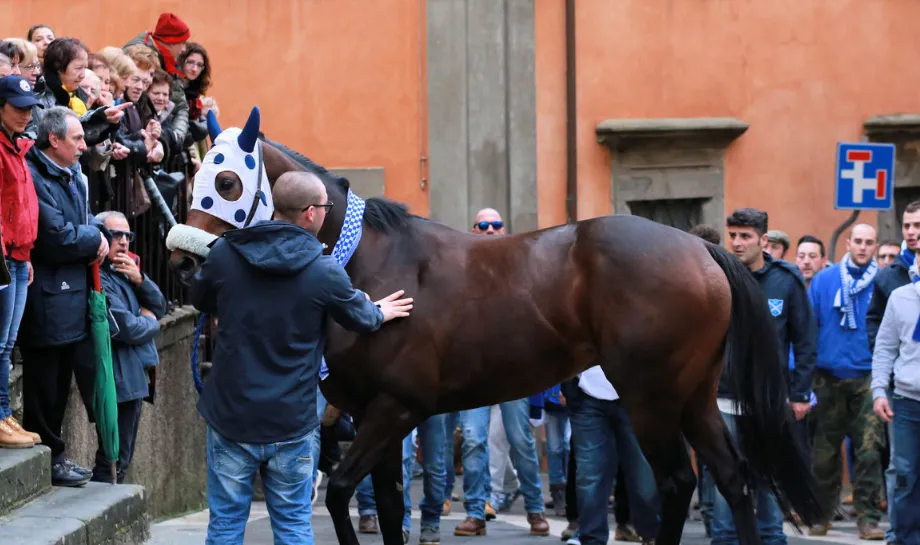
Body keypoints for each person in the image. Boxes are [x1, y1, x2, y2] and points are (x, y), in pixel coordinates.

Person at [190, 170, 413, 544]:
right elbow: (362, 318)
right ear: (310, 213)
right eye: (325, 206)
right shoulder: (323, 270)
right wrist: (379, 312)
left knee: (226, 524)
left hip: (230, 416)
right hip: (291, 422)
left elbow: (201, 299)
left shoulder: (225, 254)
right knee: (293, 526)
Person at [714, 208, 817, 545]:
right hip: (725, 400)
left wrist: (800, 394)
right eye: (733, 235)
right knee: (725, 488)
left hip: (771, 403)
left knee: (769, 490)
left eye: (745, 236)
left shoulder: (786, 280)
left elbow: (804, 342)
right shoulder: (718, 276)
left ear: (764, 240)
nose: (737, 243)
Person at [22, 106, 111, 486]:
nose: (83, 144)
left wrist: (91, 232)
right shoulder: (36, 176)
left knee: (59, 383)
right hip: (48, 295)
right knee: (45, 383)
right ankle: (50, 457)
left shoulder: (69, 174)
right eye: (76, 138)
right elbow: (56, 238)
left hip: (68, 294)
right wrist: (95, 238)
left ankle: (55, 456)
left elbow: (80, 223)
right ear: (54, 140)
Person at [806, 224, 885, 539]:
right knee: (824, 455)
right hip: (827, 378)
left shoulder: (883, 280)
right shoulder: (824, 280)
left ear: (875, 247)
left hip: (868, 377)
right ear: (848, 243)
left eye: (869, 243)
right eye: (858, 241)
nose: (863, 247)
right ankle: (821, 515)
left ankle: (868, 518)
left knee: (868, 453)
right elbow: (809, 327)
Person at [91, 211, 166, 483]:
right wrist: (150, 322)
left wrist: (140, 280)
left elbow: (160, 306)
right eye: (116, 234)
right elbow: (125, 328)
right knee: (113, 459)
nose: (123, 241)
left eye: (127, 235)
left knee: (122, 458)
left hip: (133, 372)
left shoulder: (124, 271)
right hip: (117, 375)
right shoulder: (98, 275)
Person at [0, 75, 42, 449]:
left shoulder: (18, 146)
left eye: (29, 109)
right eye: (18, 108)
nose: (25, 115)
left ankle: (4, 415)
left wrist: (25, 255)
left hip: (18, 256)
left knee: (7, 341)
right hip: (3, 257)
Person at [872, 259, 920, 545]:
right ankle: (903, 539)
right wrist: (879, 390)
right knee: (905, 477)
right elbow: (885, 347)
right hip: (906, 401)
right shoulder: (900, 298)